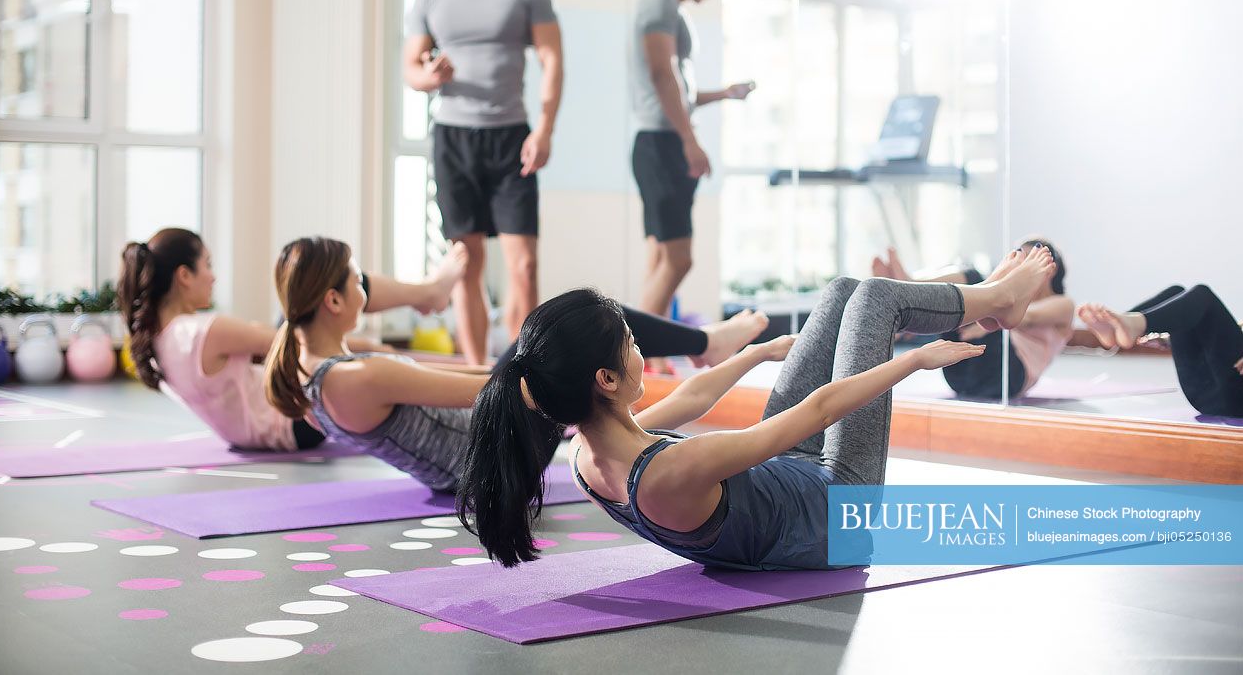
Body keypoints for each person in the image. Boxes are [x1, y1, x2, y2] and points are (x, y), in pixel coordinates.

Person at [457, 247, 1056, 569]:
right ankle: (1001, 300)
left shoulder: (587, 450)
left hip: (790, 480)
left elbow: (691, 397)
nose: (644, 354)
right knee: (874, 300)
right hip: (838, 513)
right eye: (635, 346)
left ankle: (995, 302)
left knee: (842, 293)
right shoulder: (667, 473)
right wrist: (909, 364)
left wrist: (758, 353)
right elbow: (817, 412)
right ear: (607, 379)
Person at [263, 236, 770, 488]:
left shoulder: (308, 369)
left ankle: (704, 344)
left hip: (473, 456)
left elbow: (469, 380)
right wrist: (554, 373)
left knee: (553, 331)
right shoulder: (358, 375)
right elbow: (486, 389)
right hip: (494, 456)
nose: (366, 291)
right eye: (358, 284)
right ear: (332, 301)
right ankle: (704, 344)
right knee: (580, 319)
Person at [116, 228, 466, 451]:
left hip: (250, 434)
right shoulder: (205, 331)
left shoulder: (153, 342)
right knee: (323, 278)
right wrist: (375, 351)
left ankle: (428, 293)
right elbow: (295, 341)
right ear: (184, 276)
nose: (213, 276)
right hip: (295, 422)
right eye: (206, 264)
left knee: (307, 300)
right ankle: (430, 292)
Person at [403, 0, 563, 366]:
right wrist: (431, 76)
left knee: (525, 267)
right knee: (466, 265)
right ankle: (477, 380)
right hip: (454, 138)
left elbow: (552, 60)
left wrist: (546, 129)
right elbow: (411, 70)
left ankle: (525, 378)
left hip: (511, 137)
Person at [631, 0, 754, 372]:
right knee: (679, 259)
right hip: (662, 144)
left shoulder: (668, 8)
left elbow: (676, 89)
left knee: (661, 258)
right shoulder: (660, 3)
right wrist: (689, 141)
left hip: (659, 142)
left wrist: (724, 93)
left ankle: (647, 355)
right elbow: (662, 75)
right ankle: (628, 353)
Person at [872, 240, 1073, 399]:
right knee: (965, 294)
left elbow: (1029, 317)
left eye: (1027, 261)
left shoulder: (1064, 303)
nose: (1018, 269)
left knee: (974, 277)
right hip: (959, 375)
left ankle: (909, 287)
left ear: (1050, 268)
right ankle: (908, 291)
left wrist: (988, 320)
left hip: (1008, 376)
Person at [1078, 286, 1243, 417]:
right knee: (1176, 293)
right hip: (1208, 395)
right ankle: (1117, 328)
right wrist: (1167, 340)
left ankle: (1132, 326)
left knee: (1203, 295)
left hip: (1235, 398)